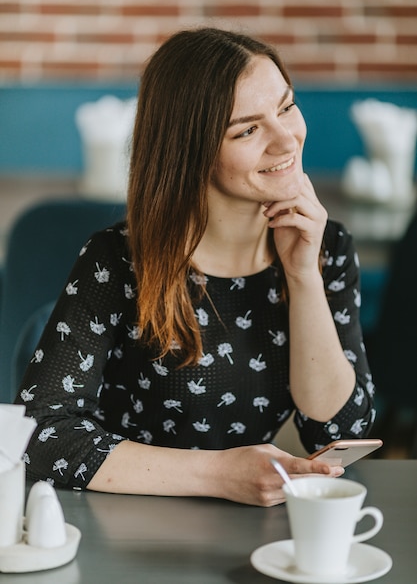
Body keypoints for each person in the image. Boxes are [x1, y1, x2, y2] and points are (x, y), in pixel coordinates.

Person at [16, 27, 375, 506]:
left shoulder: (325, 245)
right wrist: (219, 475)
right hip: (126, 523)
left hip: (250, 529)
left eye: (286, 107)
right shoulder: (117, 260)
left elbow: (340, 430)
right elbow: (39, 435)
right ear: (192, 151)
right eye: (248, 129)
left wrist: (304, 275)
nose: (286, 140)